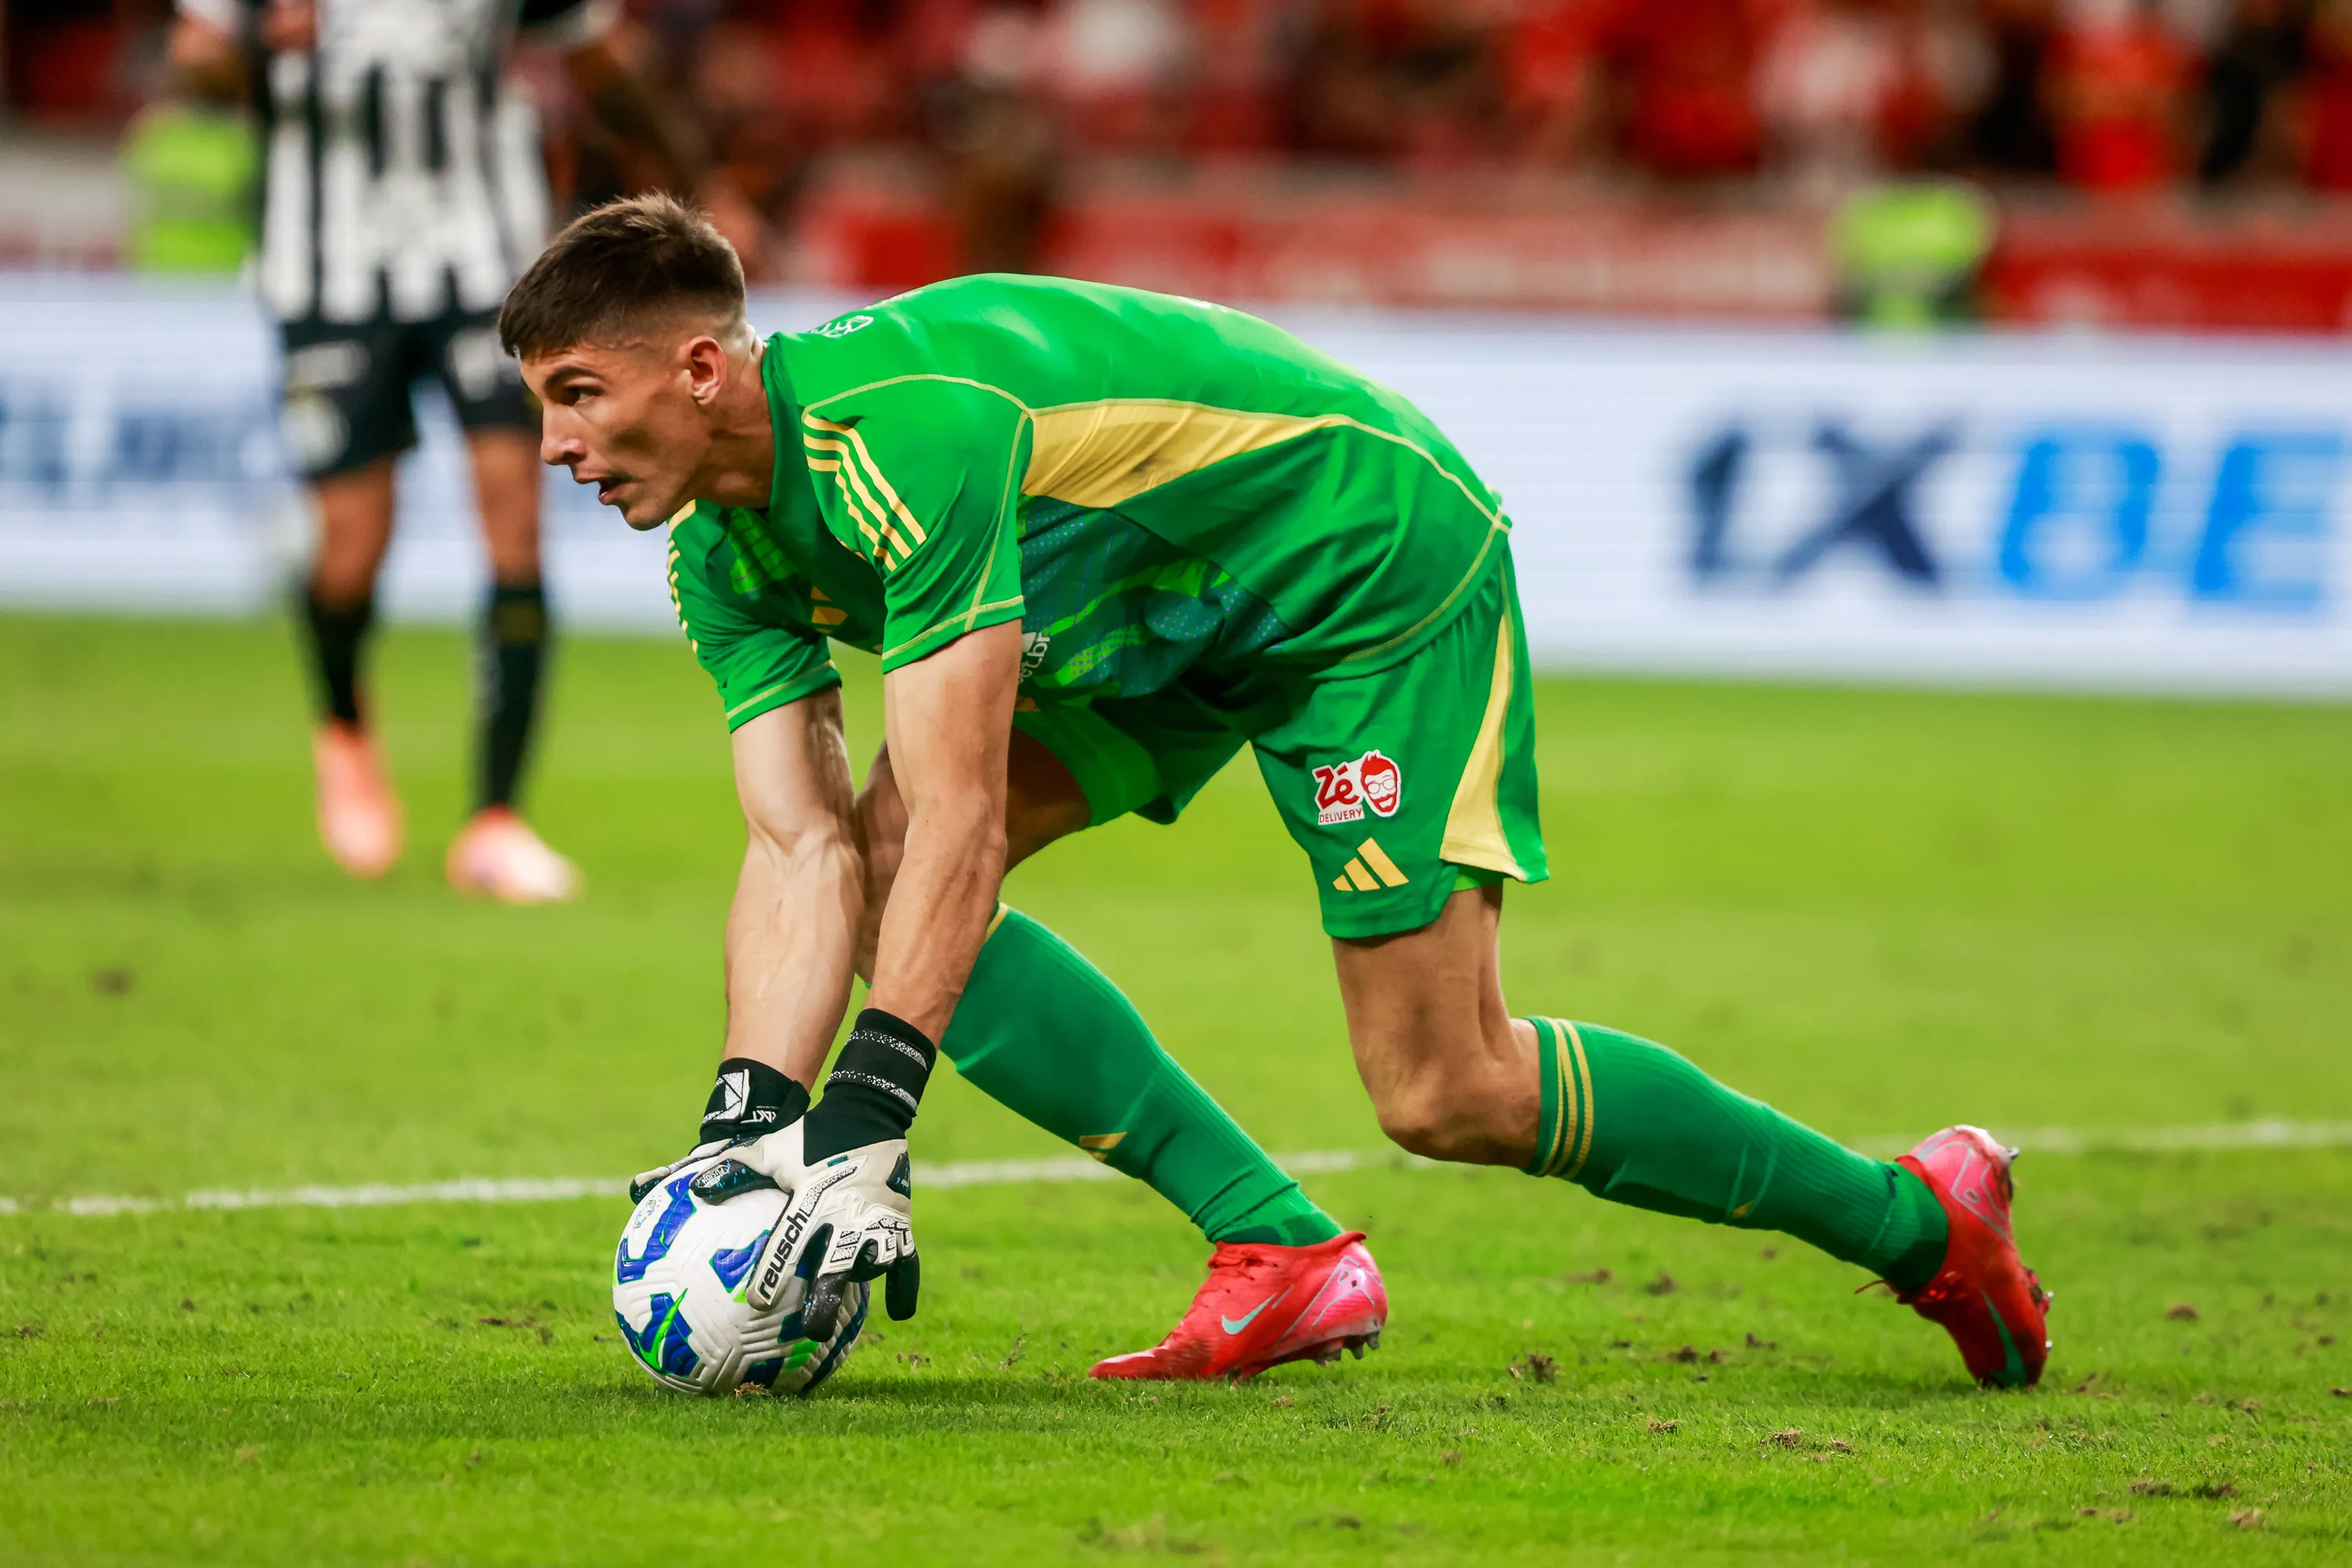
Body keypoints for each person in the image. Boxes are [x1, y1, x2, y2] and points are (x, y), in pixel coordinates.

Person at [503, 194, 2053, 1386]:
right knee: (874, 856)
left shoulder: (904, 435)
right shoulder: (720, 547)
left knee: (1447, 1089)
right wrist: (755, 1126)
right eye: (542, 408)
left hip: (1353, 563)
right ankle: (1281, 1246)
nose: (558, 447)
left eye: (579, 394)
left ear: (701, 367)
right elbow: (797, 845)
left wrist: (874, 1110)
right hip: (1150, 598)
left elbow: (969, 814)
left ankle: (1919, 1219)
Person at [168, 0, 703, 900]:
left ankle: (496, 820)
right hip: (327, 275)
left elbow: (601, 57)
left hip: (483, 266)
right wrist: (258, 44)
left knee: (516, 520)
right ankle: (343, 722)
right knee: (351, 549)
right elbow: (194, 60)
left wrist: (693, 181)